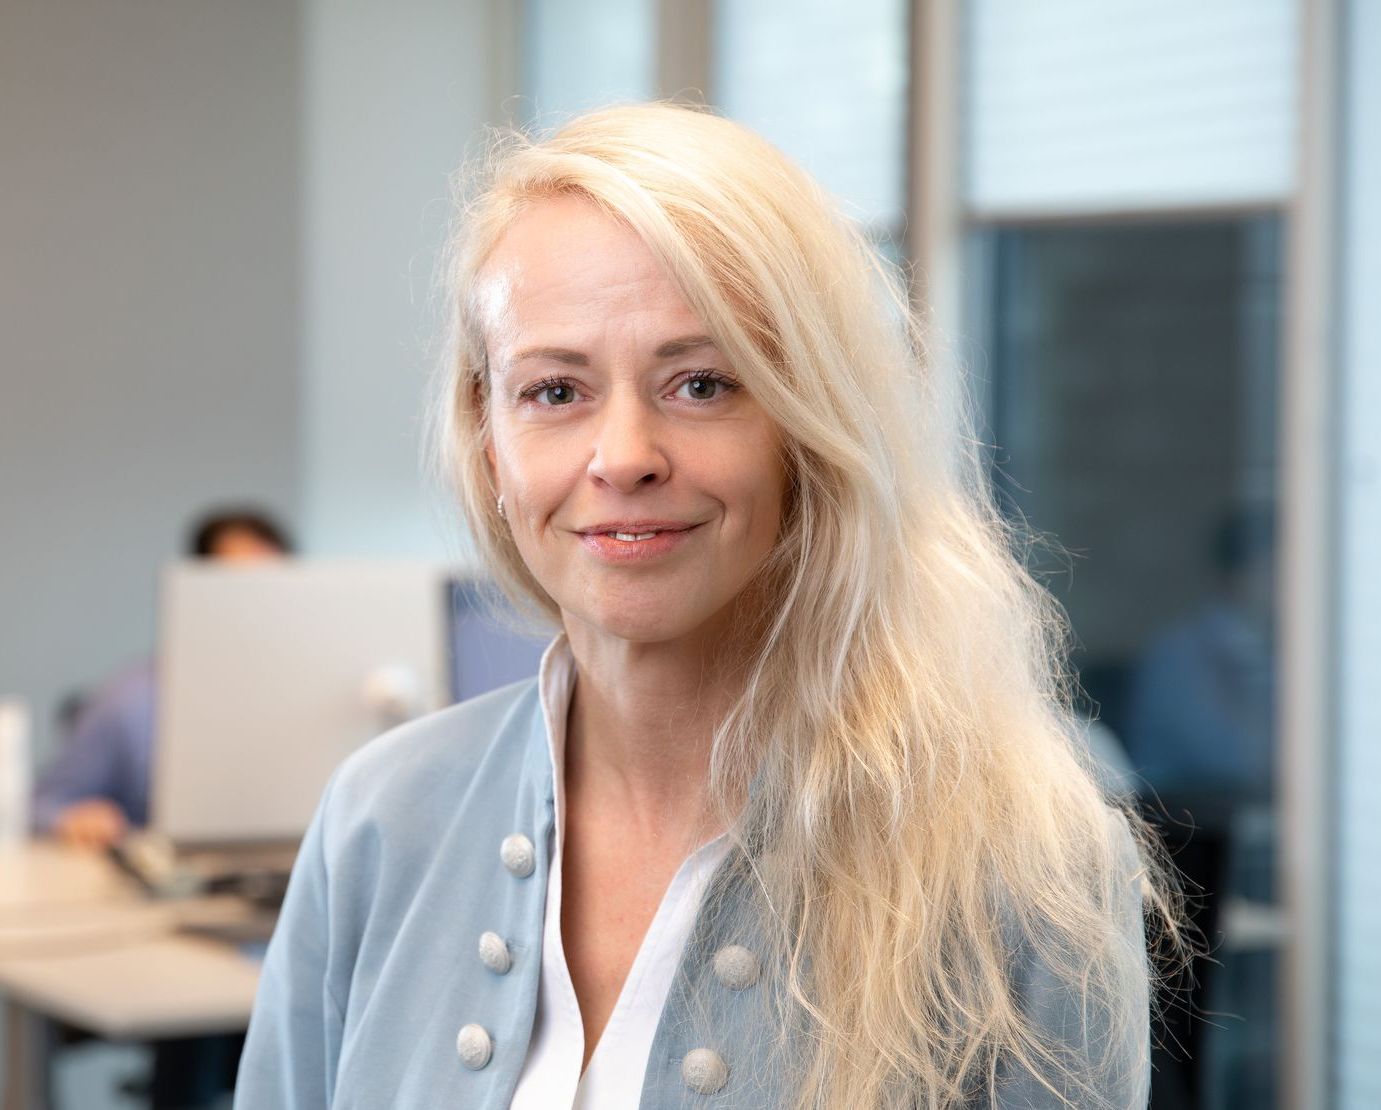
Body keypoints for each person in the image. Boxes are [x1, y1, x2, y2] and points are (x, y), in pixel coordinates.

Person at [236, 104, 1177, 1109]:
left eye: (699, 383)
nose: (623, 457)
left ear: (805, 425)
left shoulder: (1023, 865)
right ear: (487, 439)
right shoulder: (380, 818)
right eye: (554, 392)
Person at [32, 508, 292, 849]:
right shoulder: (133, 698)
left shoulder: (315, 698)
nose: (257, 605)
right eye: (239, 588)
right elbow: (42, 802)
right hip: (166, 872)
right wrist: (73, 817)